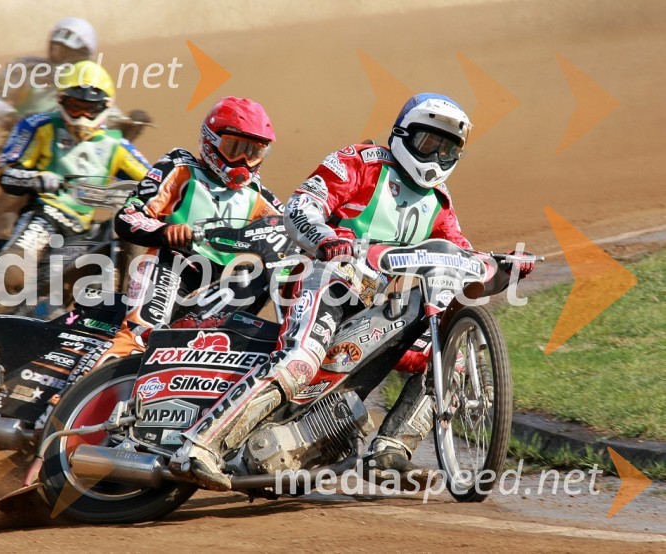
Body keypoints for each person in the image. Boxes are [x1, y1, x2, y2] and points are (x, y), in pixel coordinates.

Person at [169, 93, 534, 491]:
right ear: (403, 135)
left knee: (450, 356)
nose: (435, 155)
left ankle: (390, 451)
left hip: (379, 304)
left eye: (447, 149)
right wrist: (327, 239)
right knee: (299, 363)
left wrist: (500, 266)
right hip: (323, 277)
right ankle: (200, 445)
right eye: (428, 142)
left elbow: (457, 252)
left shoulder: (439, 202)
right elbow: (301, 205)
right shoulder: (359, 162)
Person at [0, 61, 150, 360]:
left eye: (91, 107)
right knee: (11, 274)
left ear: (106, 107)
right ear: (61, 101)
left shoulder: (117, 145)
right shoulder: (39, 125)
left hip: (83, 231)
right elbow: (7, 173)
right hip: (43, 217)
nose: (83, 116)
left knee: (111, 273)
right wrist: (37, 178)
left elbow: (158, 181)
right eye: (75, 106)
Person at [0, 17, 152, 247]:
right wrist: (8, 115)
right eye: (58, 47)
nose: (61, 55)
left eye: (70, 51)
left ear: (85, 54)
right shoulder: (27, 68)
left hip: (60, 159)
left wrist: (131, 123)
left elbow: (108, 120)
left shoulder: (89, 82)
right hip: (16, 147)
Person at [109, 96, 284, 358]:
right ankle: (78, 395)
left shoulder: (262, 197)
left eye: (253, 152)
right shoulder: (180, 167)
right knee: (137, 340)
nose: (244, 162)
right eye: (235, 147)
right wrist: (165, 232)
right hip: (172, 263)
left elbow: (292, 234)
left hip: (220, 285)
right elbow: (129, 215)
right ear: (211, 139)